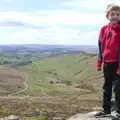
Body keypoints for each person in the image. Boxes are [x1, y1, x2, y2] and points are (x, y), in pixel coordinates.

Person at [95, 3, 120, 119]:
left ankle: (118, 111)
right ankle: (106, 109)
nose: (115, 16)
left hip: (118, 63)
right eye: (112, 14)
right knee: (106, 87)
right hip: (107, 63)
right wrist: (99, 61)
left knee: (118, 88)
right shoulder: (104, 29)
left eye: (118, 14)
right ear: (107, 15)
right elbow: (100, 46)